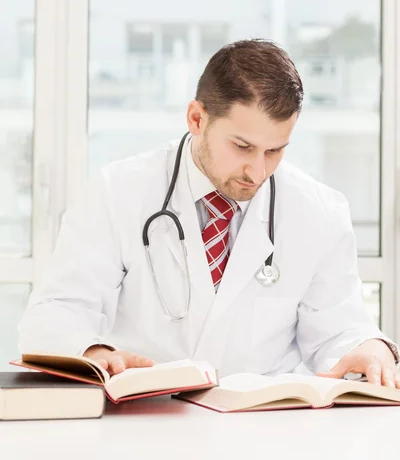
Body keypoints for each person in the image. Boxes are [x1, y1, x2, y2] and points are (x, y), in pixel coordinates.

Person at [19, 39, 399, 387]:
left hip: (264, 427)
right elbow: (59, 310)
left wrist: (370, 347)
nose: (258, 171)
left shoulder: (319, 212)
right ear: (197, 119)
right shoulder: (118, 192)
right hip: (144, 420)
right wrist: (94, 354)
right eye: (242, 146)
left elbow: (340, 327)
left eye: (275, 151)